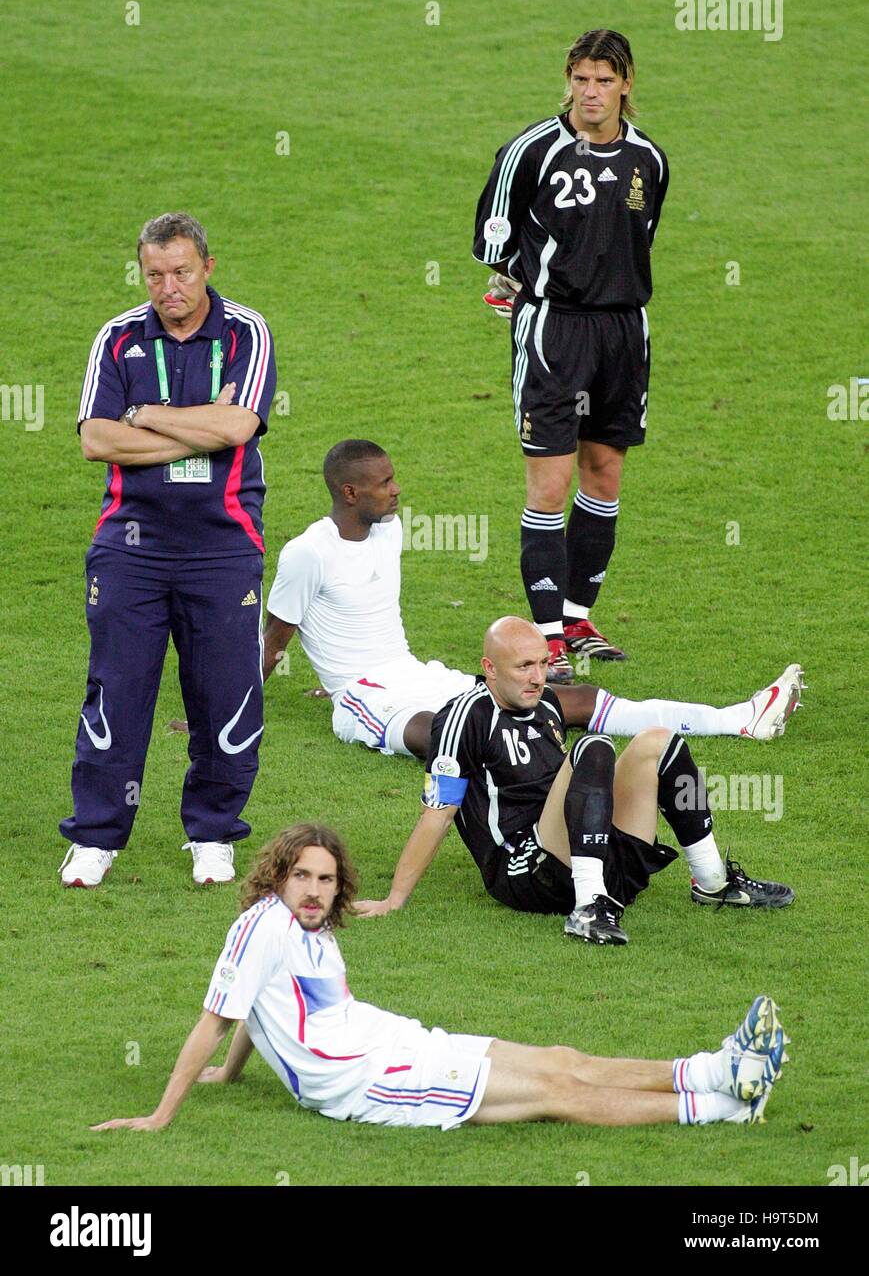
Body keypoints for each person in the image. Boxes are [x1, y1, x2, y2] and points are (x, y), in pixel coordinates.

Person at [91, 824, 789, 1134]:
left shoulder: (312, 929)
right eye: (301, 875)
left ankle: (712, 1069)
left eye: (326, 880)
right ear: (276, 876)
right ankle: (725, 1108)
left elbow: (255, 1009)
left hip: (393, 1039)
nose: (313, 890)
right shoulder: (260, 928)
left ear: (339, 889)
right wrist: (161, 1115)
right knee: (554, 1092)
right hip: (369, 1082)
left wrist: (233, 1074)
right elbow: (217, 1017)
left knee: (559, 1060)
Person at [262, 439, 803, 759]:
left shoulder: (387, 530)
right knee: (443, 733)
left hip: (416, 672)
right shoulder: (307, 553)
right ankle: (533, 758)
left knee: (573, 699)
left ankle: (738, 719)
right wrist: (224, 718)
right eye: (384, 483)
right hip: (363, 695)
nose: (397, 489)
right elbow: (271, 643)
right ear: (350, 493)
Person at [61, 212, 276, 889]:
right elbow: (96, 440)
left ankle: (212, 834)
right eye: (155, 274)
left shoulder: (246, 332)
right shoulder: (118, 336)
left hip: (222, 545)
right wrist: (200, 431)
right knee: (117, 689)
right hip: (131, 546)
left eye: (182, 271)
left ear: (208, 267)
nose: (169, 287)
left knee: (224, 693)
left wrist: (143, 415)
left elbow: (240, 423)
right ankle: (96, 838)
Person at [355, 618, 795, 943]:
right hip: (525, 871)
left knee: (660, 742)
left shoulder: (545, 704)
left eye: (543, 663)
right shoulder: (464, 717)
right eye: (524, 666)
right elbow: (439, 813)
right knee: (594, 746)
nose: (537, 677)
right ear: (489, 667)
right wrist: (394, 898)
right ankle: (588, 908)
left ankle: (713, 881)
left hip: (590, 855)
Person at [473, 29, 668, 676]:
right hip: (554, 328)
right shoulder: (532, 149)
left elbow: (639, 237)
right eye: (581, 79)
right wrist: (520, 288)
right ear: (568, 80)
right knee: (549, 484)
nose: (590, 92)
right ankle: (547, 636)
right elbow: (491, 238)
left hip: (623, 332)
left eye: (603, 81)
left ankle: (580, 616)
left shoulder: (648, 160)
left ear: (625, 84)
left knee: (605, 472)